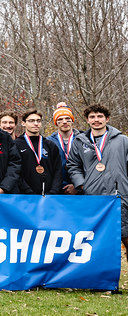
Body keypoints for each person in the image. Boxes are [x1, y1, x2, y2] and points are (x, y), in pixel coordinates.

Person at [66, 103, 128, 255]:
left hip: (119, 197)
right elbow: (73, 165)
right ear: (87, 120)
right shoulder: (80, 142)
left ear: (107, 119)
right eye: (92, 117)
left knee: (126, 236)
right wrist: (82, 185)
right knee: (99, 242)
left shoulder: (123, 140)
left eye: (100, 116)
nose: (96, 120)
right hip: (94, 199)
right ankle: (102, 277)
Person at [14, 109, 62, 195]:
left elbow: (58, 171)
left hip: (49, 196)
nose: (36, 123)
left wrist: (53, 191)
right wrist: (28, 191)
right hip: (25, 195)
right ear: (23, 123)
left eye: (38, 121)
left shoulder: (50, 145)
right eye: (31, 121)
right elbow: (16, 171)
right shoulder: (16, 145)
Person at [47, 103, 80, 195]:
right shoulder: (49, 142)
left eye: (68, 119)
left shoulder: (83, 139)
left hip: (79, 188)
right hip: (56, 189)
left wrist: (77, 186)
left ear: (72, 121)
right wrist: (56, 187)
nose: (64, 122)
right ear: (56, 123)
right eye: (60, 119)